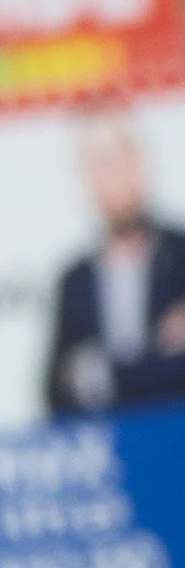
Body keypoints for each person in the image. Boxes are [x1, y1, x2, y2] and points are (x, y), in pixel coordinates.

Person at [44, 117, 185, 414]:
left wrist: (104, 376)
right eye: (99, 164)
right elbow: (56, 388)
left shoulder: (179, 256)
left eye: (119, 159)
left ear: (140, 163)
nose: (113, 176)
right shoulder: (75, 281)